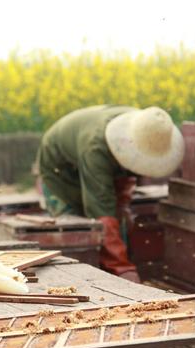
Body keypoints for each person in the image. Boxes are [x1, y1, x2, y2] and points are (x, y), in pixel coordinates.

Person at [37, 105, 184, 283]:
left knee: (117, 220)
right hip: (61, 171)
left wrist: (122, 208)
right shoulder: (95, 148)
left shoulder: (147, 128)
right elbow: (102, 213)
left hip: (92, 154)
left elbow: (126, 178)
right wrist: (123, 269)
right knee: (79, 232)